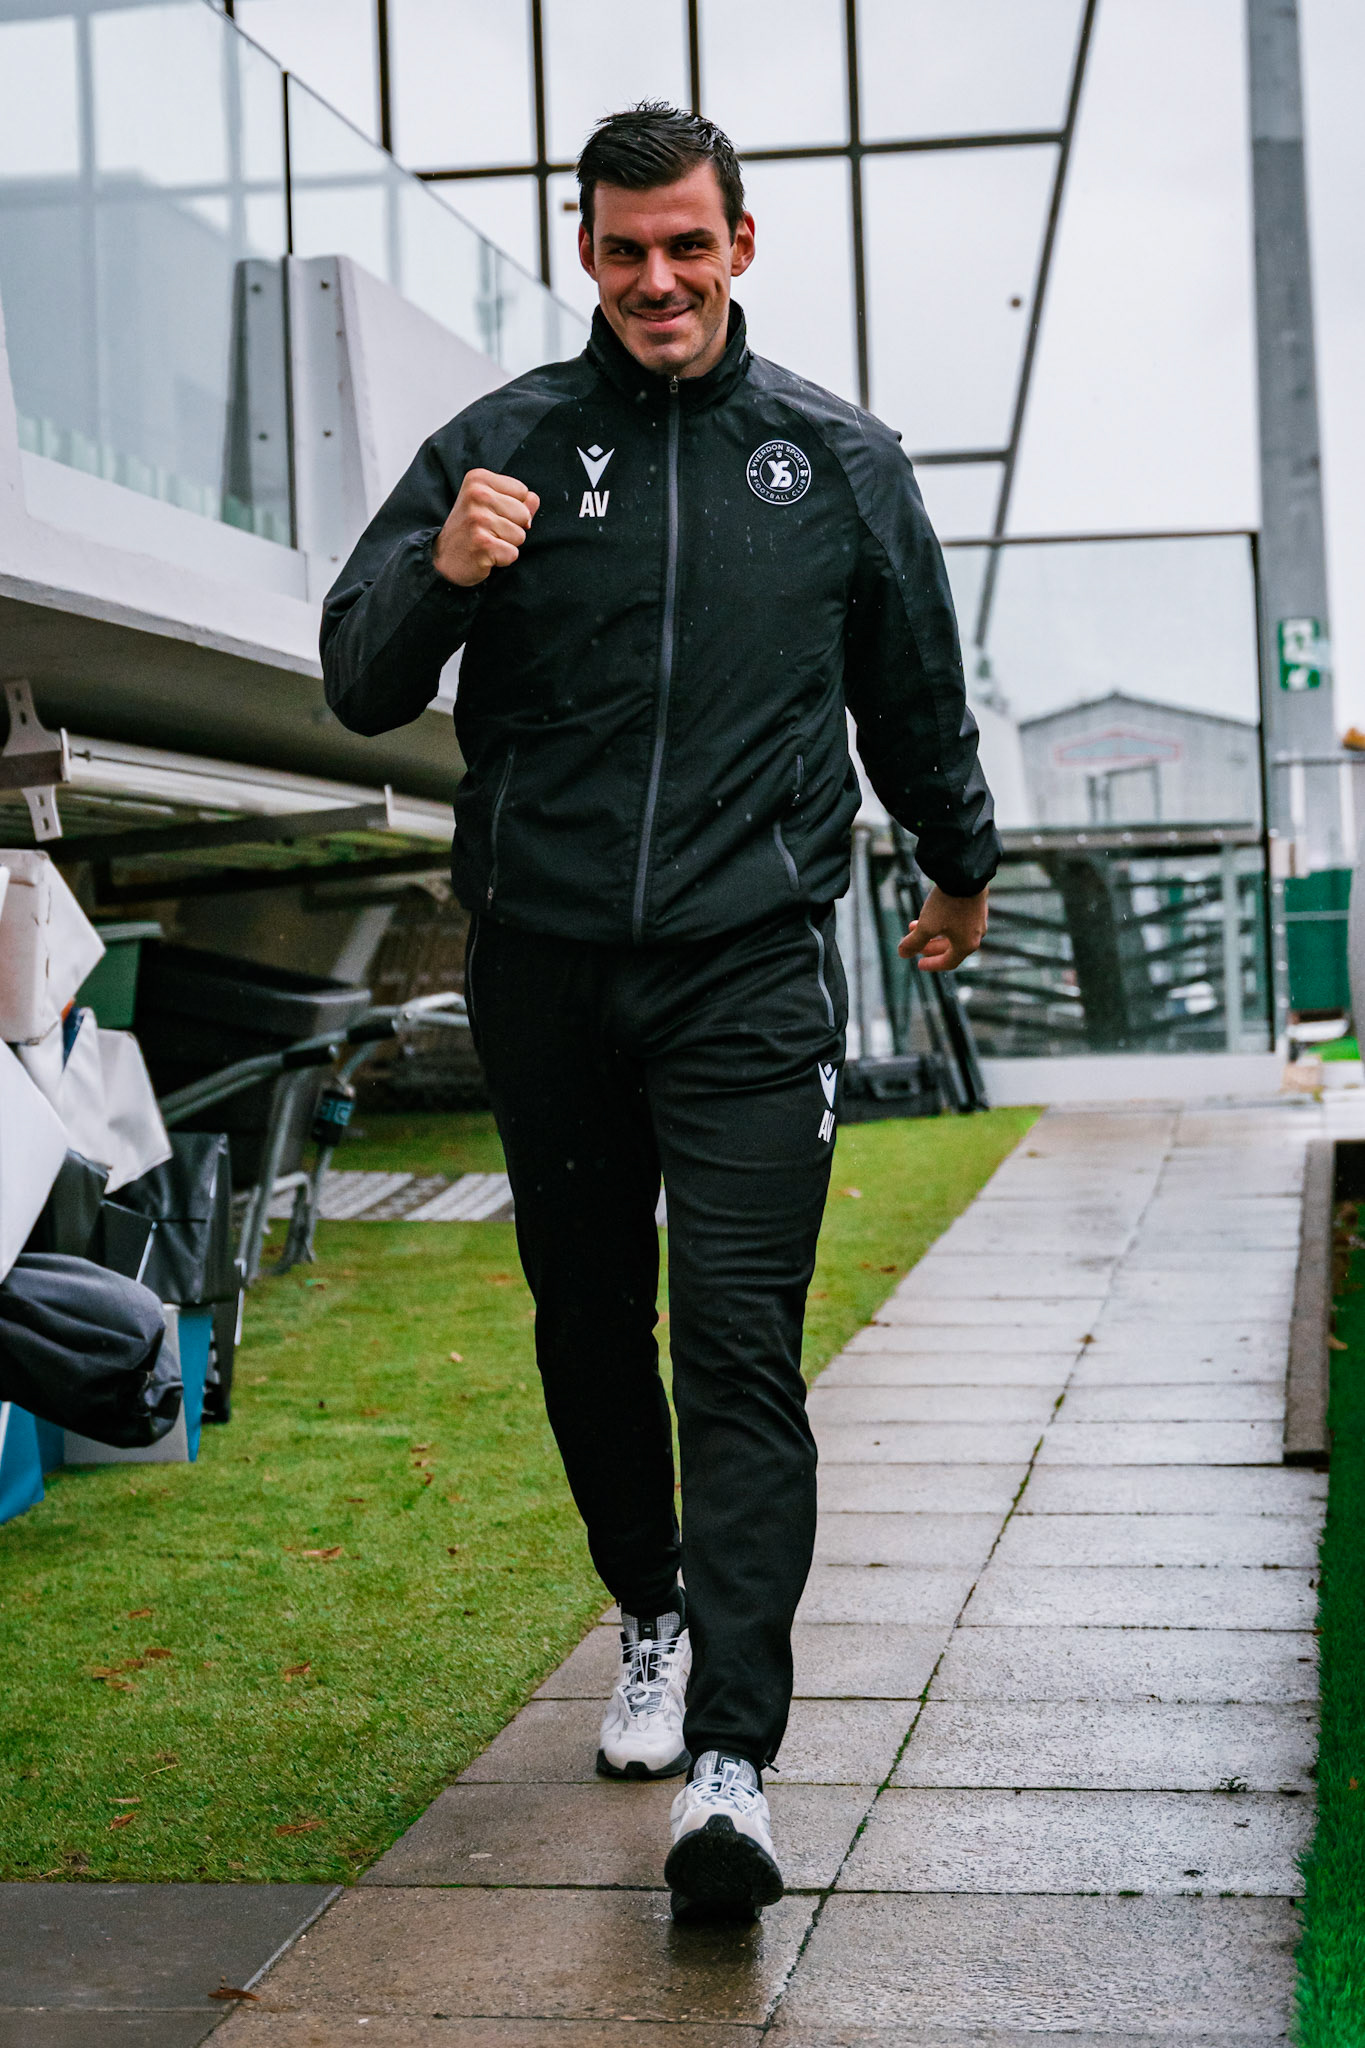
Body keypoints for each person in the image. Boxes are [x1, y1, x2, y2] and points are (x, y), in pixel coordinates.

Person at [320, 101, 999, 1921]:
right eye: (624, 249)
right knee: (585, 1326)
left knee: (736, 1341)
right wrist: (444, 572)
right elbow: (358, 679)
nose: (657, 279)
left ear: (739, 245)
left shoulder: (838, 463)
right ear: (587, 251)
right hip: (541, 967)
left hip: (746, 968)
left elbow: (914, 700)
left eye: (686, 244)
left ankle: (733, 1765)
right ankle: (651, 1610)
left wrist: (960, 867)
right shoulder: (501, 448)